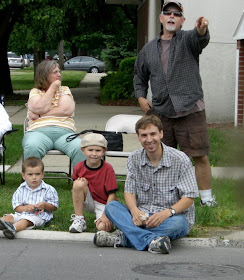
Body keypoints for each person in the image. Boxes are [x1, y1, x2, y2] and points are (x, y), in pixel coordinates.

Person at [133, 1, 216, 207]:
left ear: (182, 21)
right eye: (167, 13)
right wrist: (141, 97)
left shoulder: (188, 39)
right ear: (161, 18)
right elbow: (139, 76)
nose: (172, 16)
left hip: (190, 109)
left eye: (176, 14)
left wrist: (202, 29)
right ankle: (165, 199)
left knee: (199, 155)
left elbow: (200, 39)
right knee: (161, 158)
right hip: (161, 112)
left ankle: (207, 199)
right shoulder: (148, 49)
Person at [93, 115, 199, 254]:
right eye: (144, 135)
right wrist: (135, 211)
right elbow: (129, 191)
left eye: (153, 134)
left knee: (179, 225)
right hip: (141, 216)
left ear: (161, 133)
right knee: (112, 207)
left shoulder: (180, 159)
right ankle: (151, 241)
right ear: (138, 137)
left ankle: (123, 238)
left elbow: (189, 197)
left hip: (171, 217)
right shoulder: (134, 158)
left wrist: (166, 213)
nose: (149, 139)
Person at [22, 60, 85, 167]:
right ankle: (31, 182)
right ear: (45, 75)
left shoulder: (65, 90)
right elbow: (40, 107)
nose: (59, 74)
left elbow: (66, 110)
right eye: (55, 72)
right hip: (38, 133)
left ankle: (81, 183)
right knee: (32, 145)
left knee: (80, 147)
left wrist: (40, 115)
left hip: (65, 133)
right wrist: (53, 88)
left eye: (59, 71)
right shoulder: (35, 92)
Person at [69, 133, 118, 233]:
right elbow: (75, 189)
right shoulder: (79, 167)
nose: (94, 154)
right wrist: (83, 185)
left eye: (98, 150)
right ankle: (79, 219)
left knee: (103, 228)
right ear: (83, 150)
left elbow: (112, 195)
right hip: (88, 199)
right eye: (90, 150)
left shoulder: (108, 169)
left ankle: (109, 219)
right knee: (78, 183)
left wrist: (105, 214)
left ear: (104, 151)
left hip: (104, 203)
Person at [0, 157, 59, 239]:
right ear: (23, 175)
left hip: (38, 216)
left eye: (37, 174)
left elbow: (54, 206)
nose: (34, 177)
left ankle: (13, 229)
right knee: (10, 217)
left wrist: (45, 206)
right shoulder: (21, 189)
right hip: (21, 213)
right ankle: (3, 223)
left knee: (25, 221)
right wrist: (25, 208)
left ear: (42, 174)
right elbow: (16, 207)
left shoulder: (48, 189)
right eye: (30, 174)